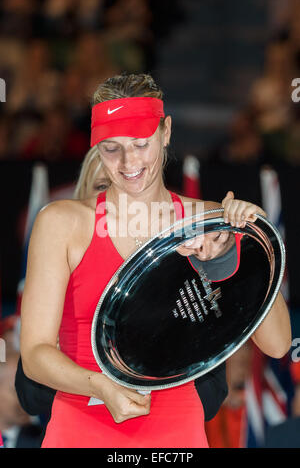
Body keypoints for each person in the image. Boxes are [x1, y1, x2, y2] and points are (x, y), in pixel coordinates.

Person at [20, 73, 291, 448]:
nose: (128, 162)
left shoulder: (207, 220)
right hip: (80, 426)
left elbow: (277, 344)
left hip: (176, 432)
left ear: (165, 132)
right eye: (111, 148)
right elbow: (34, 354)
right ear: (96, 148)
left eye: (140, 143)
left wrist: (239, 252)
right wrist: (99, 384)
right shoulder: (61, 223)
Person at [15, 146, 228, 428]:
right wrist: (88, 379)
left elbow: (212, 394)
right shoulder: (53, 278)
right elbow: (31, 395)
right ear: (80, 197)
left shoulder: (185, 273)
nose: (119, 198)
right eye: (102, 187)